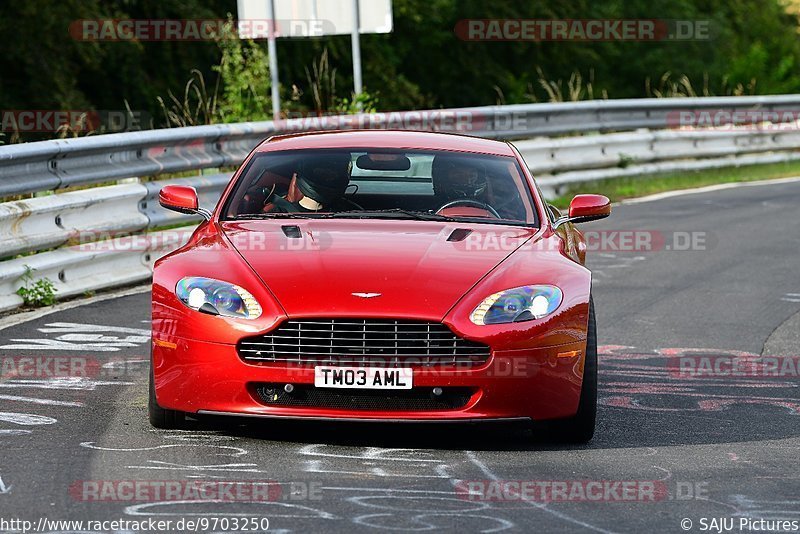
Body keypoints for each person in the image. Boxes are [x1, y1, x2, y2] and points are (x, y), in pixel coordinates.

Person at [263, 153, 352, 213]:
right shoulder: (276, 214)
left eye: (333, 174)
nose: (328, 178)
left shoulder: (346, 212)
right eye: (322, 173)